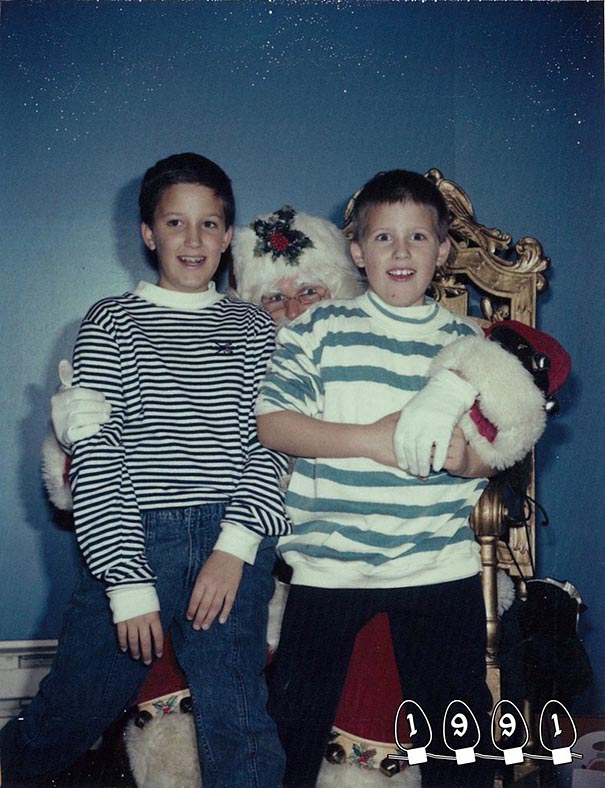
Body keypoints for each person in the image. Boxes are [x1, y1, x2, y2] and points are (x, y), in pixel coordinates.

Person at [1, 152, 290, 788]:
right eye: (176, 223)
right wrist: (128, 584)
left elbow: (272, 446)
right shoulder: (112, 321)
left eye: (210, 224)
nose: (194, 239)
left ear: (227, 235)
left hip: (229, 541)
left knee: (238, 720)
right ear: (148, 233)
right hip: (131, 533)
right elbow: (98, 455)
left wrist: (234, 549)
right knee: (76, 704)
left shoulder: (255, 329)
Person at [255, 169, 498, 788]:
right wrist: (376, 441)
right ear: (357, 251)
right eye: (383, 238)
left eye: (418, 237)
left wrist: (466, 458)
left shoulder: (469, 343)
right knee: (294, 728)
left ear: (442, 250)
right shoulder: (320, 330)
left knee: (458, 740)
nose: (401, 252)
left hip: (438, 562)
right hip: (330, 563)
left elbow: (502, 443)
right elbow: (274, 425)